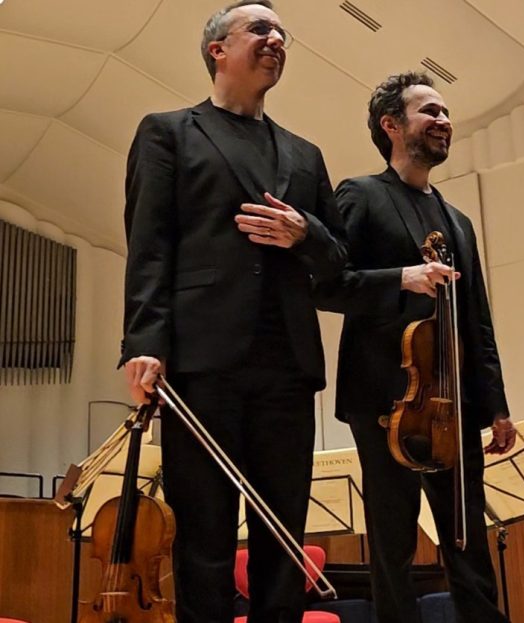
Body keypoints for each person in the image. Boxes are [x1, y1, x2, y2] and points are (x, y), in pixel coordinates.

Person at [119, 2, 344, 620]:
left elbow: (338, 260)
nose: (277, 40)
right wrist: (145, 343)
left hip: (287, 364)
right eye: (260, 29)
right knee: (204, 537)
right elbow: (149, 246)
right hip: (200, 364)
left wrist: (305, 234)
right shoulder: (168, 132)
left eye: (282, 33)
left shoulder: (305, 153)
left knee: (283, 537)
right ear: (217, 50)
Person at [314, 71, 516, 623]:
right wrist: (402, 278)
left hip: (452, 404)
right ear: (391, 125)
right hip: (385, 398)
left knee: (468, 541)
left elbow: (477, 321)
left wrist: (496, 405)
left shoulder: (459, 222)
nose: (444, 120)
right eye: (430, 111)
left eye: (445, 112)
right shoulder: (361, 195)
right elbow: (327, 286)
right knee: (393, 542)